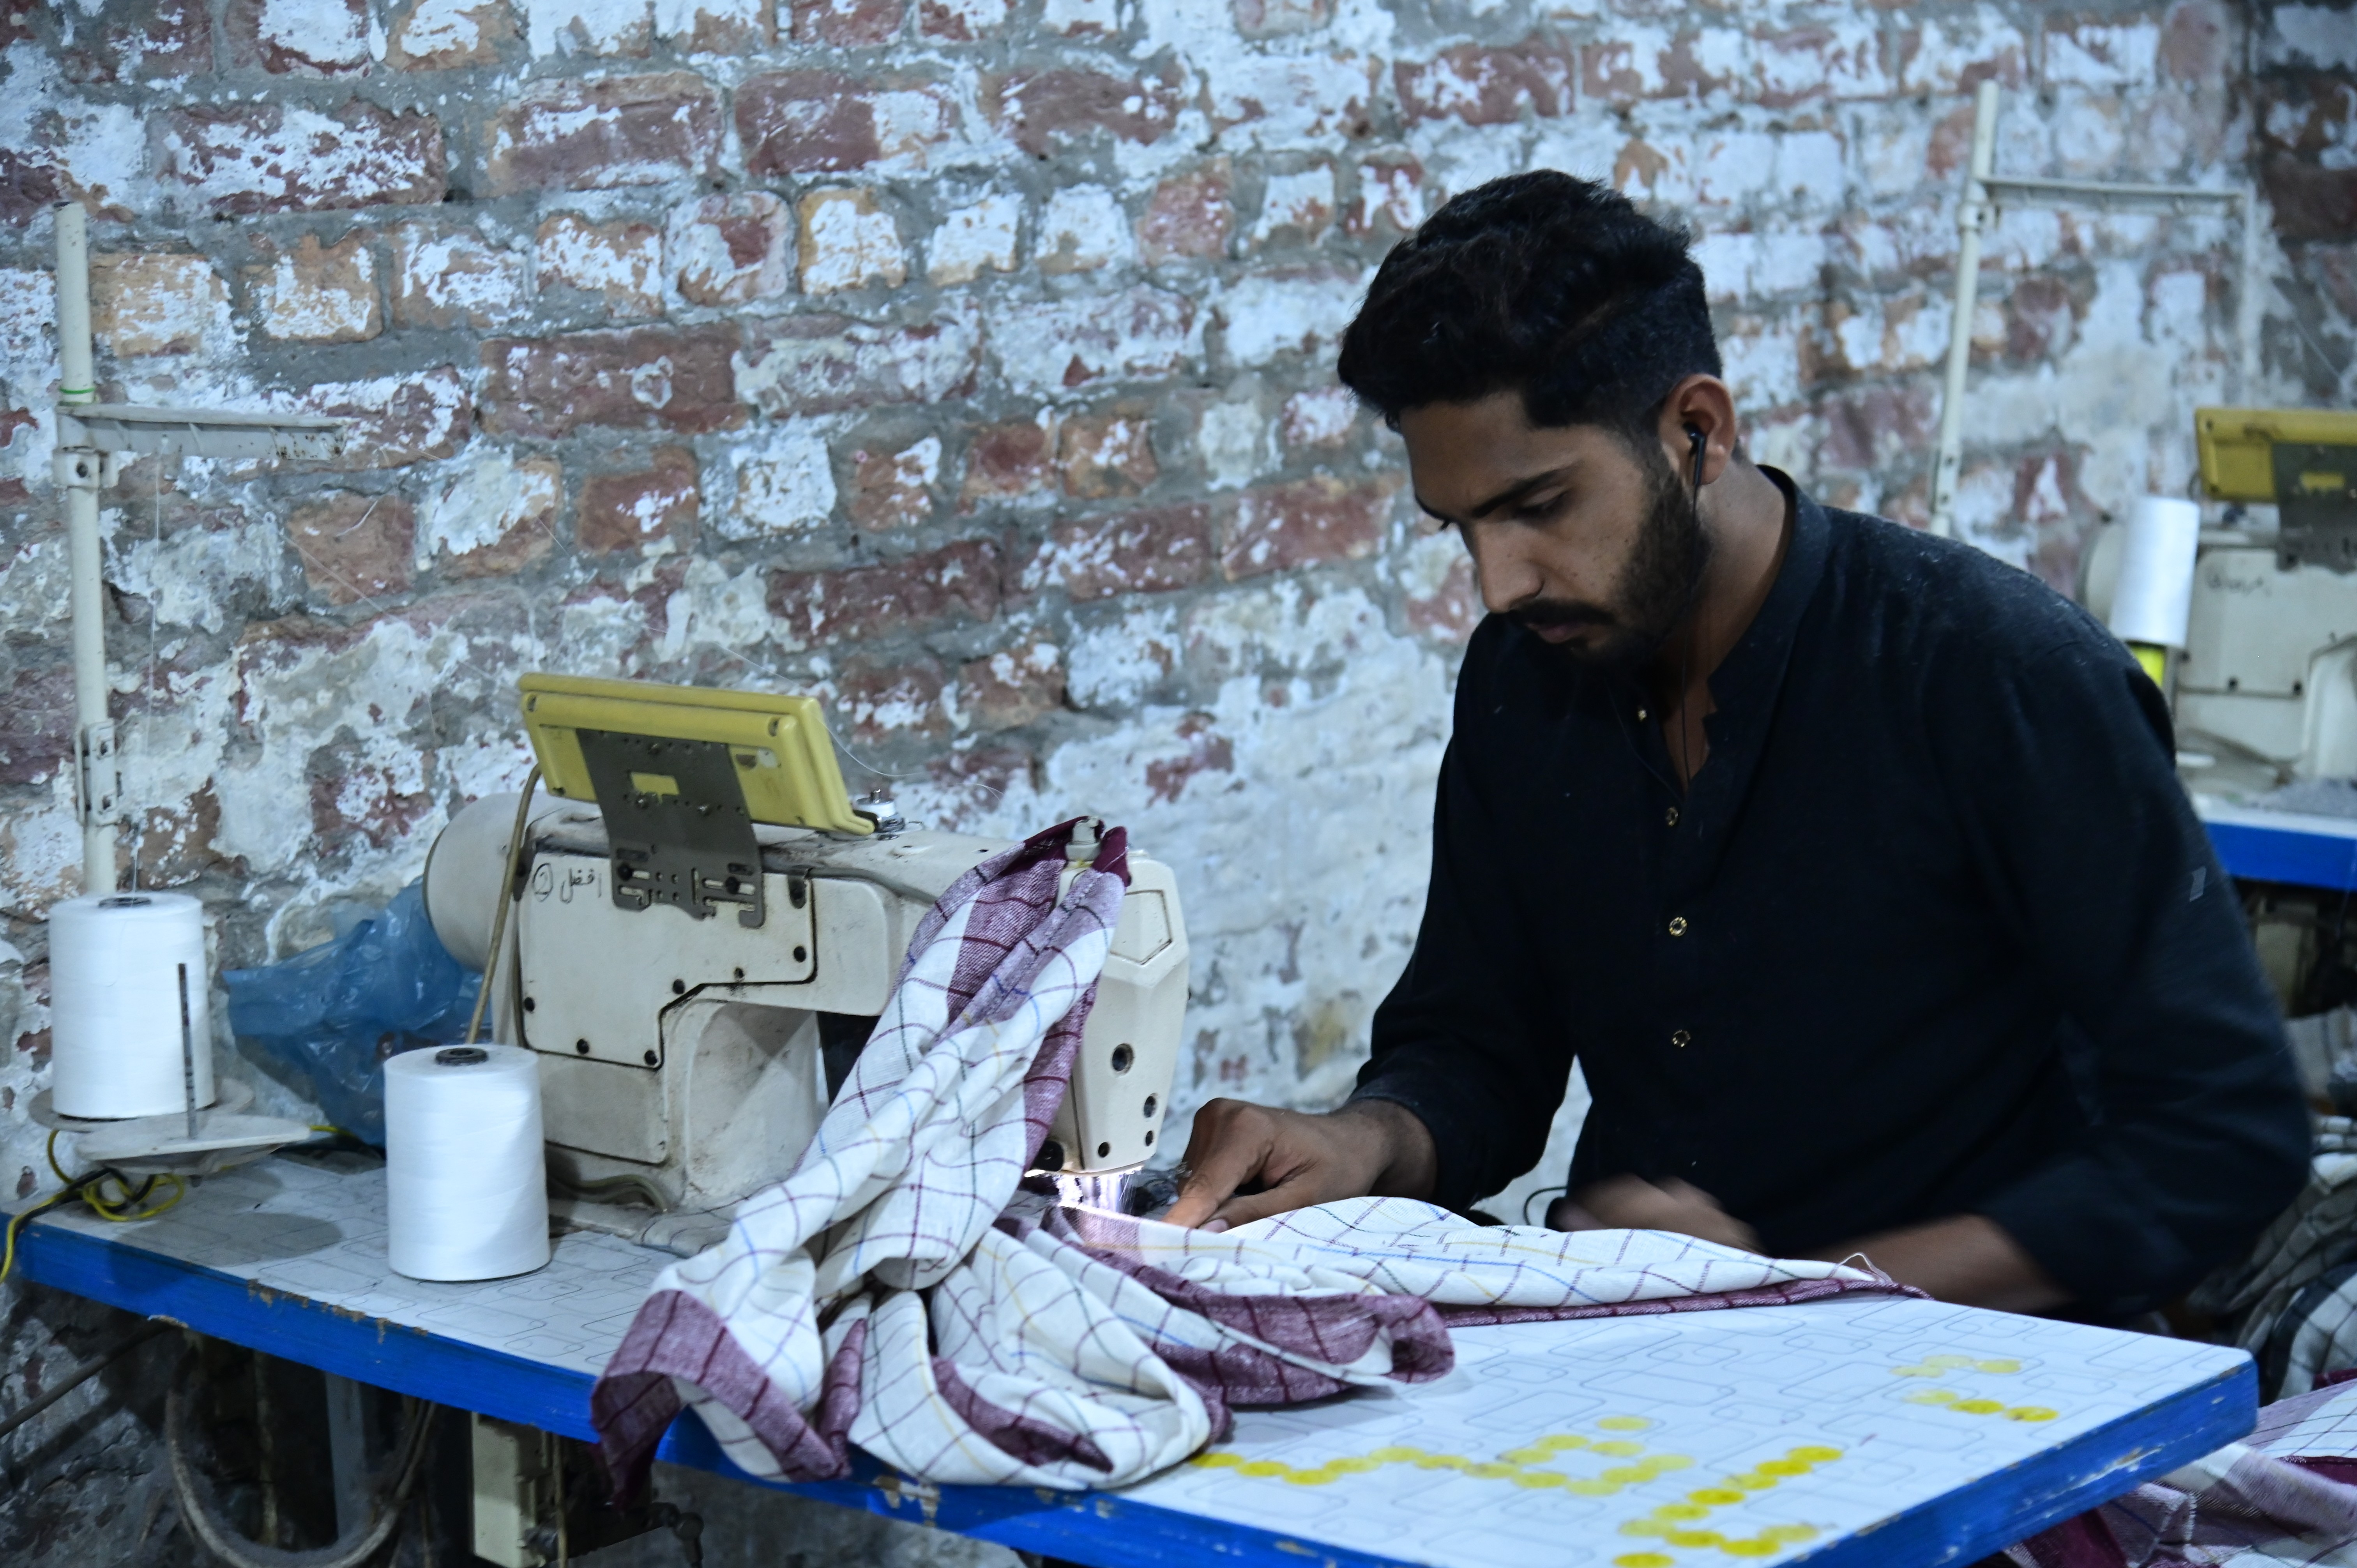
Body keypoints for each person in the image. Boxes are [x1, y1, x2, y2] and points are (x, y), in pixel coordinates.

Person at [1162, 171, 2310, 1321]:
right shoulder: (1525, 677)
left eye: (1540, 507)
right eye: (1461, 529)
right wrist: (1364, 1140)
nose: (1499, 583)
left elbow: (2224, 1137)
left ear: (1697, 432)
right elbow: (1478, 1048)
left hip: (1989, 1371)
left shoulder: (2001, 673)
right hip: (1652, 1347)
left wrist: (1804, 1287)